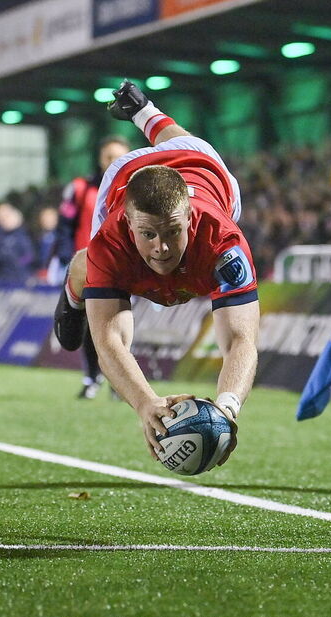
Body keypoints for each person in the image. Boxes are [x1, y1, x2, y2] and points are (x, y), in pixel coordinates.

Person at [53, 80, 258, 464]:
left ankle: (143, 110)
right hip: (124, 176)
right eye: (148, 234)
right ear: (129, 223)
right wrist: (146, 404)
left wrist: (228, 409)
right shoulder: (111, 241)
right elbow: (111, 343)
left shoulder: (224, 243)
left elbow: (241, 340)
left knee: (187, 145)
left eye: (172, 232)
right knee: (90, 265)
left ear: (191, 217)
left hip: (202, 166)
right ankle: (74, 283)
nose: (161, 248)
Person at [58, 135, 131, 399]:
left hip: (123, 264)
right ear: (100, 159)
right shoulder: (80, 188)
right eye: (108, 156)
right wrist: (68, 260)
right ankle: (92, 377)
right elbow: (65, 227)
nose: (113, 161)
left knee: (120, 323)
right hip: (88, 266)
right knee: (92, 324)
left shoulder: (135, 188)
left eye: (119, 156)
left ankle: (118, 383)